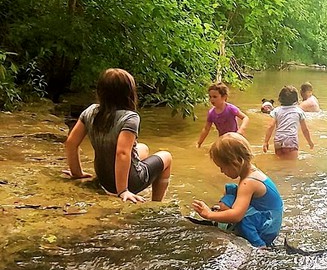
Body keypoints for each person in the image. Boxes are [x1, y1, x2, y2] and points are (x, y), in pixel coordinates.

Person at [64, 68, 172, 203]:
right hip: (128, 182)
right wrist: (123, 190)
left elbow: (71, 143)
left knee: (143, 148)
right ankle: (157, 203)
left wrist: (77, 173)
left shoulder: (90, 111)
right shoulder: (130, 117)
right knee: (167, 156)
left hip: (103, 178)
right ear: (129, 93)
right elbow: (122, 153)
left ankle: (126, 181)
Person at [191, 133, 283, 248]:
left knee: (242, 219)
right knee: (231, 190)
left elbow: (237, 216)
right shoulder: (252, 172)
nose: (221, 171)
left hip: (267, 227)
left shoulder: (248, 182)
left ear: (236, 162)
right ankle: (225, 213)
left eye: (222, 167)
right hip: (270, 218)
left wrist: (209, 214)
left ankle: (259, 246)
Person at [263, 85, 314, 158]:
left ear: (280, 98)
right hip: (291, 142)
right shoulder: (299, 111)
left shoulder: (276, 110)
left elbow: (270, 126)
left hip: (278, 141)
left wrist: (266, 142)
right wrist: (310, 142)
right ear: (296, 99)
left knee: (279, 162)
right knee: (291, 165)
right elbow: (305, 129)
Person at [196, 82, 249, 148]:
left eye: (215, 97)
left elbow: (245, 118)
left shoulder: (231, 108)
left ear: (224, 97)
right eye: (210, 97)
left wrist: (241, 129)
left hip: (235, 137)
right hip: (222, 139)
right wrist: (199, 143)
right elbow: (206, 129)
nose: (211, 99)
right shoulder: (211, 113)